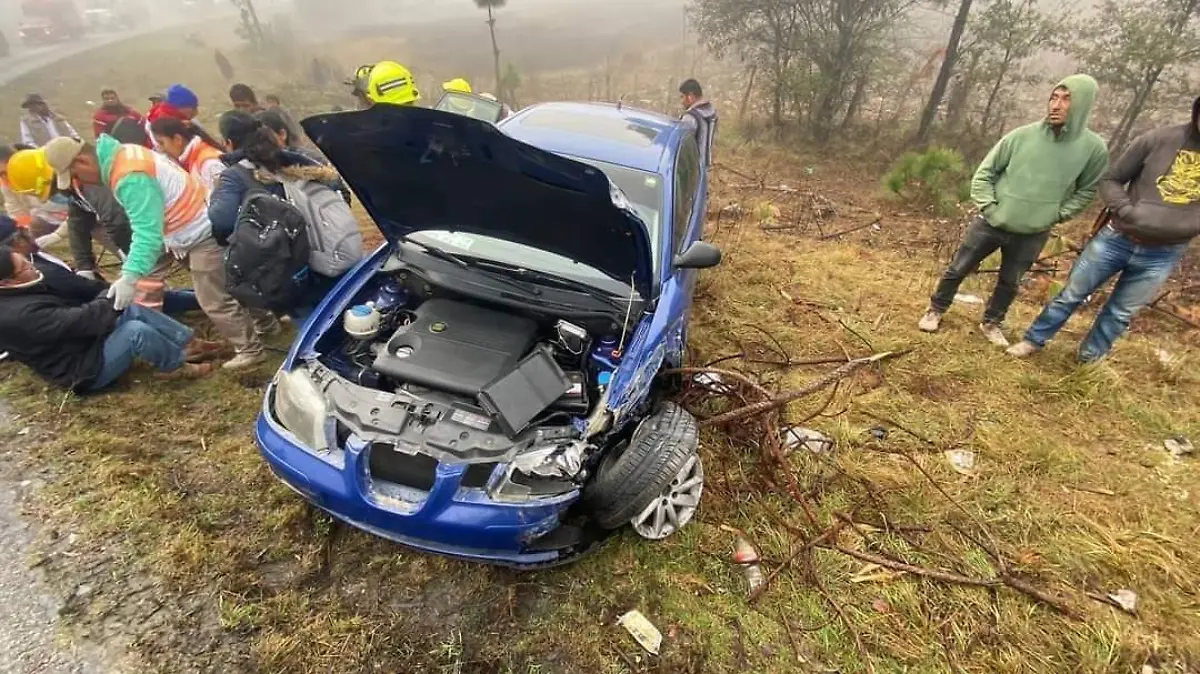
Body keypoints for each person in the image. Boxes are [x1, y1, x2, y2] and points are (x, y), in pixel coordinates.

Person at [43, 136, 267, 370]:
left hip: (199, 231)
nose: (79, 183)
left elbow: (147, 232)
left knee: (213, 299)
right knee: (230, 281)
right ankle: (266, 323)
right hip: (186, 226)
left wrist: (130, 275)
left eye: (76, 176)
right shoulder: (123, 152)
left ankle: (250, 350)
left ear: (82, 161)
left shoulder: (130, 177)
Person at [918, 75, 1109, 347]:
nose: (1056, 105)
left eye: (1067, 99)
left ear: (1083, 104)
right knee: (958, 268)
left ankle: (992, 322)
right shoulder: (1021, 136)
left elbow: (1086, 191)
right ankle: (936, 309)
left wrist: (1055, 215)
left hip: (1033, 231)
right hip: (992, 222)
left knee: (1010, 281)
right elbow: (985, 173)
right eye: (1054, 97)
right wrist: (990, 207)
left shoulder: (1093, 149)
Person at [1007, 97, 1200, 362]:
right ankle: (1033, 340)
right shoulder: (1158, 140)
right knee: (1071, 294)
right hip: (1118, 238)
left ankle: (1089, 359)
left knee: (1120, 313)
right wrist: (1127, 210)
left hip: (1164, 253)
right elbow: (1111, 179)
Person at [0, 244, 221, 392]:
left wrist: (112, 292)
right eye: (24, 267)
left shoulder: (26, 287)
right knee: (134, 332)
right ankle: (176, 366)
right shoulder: (20, 315)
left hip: (85, 344)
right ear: (5, 282)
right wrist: (111, 295)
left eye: (27, 261)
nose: (32, 266)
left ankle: (190, 344)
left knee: (131, 309)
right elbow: (82, 321)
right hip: (81, 369)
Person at [209, 111, 353, 316]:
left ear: (229, 143)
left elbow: (221, 221)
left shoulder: (234, 177)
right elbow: (339, 190)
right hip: (332, 252)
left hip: (291, 269)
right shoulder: (294, 159)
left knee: (314, 318)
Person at [1, 145, 70, 244]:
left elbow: (79, 207)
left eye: (5, 172)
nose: (4, 177)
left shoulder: (49, 166)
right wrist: (23, 232)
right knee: (34, 224)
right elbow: (16, 210)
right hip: (46, 218)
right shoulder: (6, 183)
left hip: (74, 216)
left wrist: (59, 234)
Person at [150, 117, 226, 191]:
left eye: (161, 143)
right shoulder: (190, 159)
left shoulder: (209, 164)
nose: (161, 149)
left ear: (177, 139)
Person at [256, 109, 325, 164]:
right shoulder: (256, 165)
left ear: (282, 134)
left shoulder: (309, 159)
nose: (259, 147)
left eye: (264, 139)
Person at [679, 79, 718, 168]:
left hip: (691, 169)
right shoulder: (711, 113)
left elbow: (681, 146)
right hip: (705, 166)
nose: (681, 101)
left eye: (682, 97)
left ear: (690, 96)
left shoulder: (690, 118)